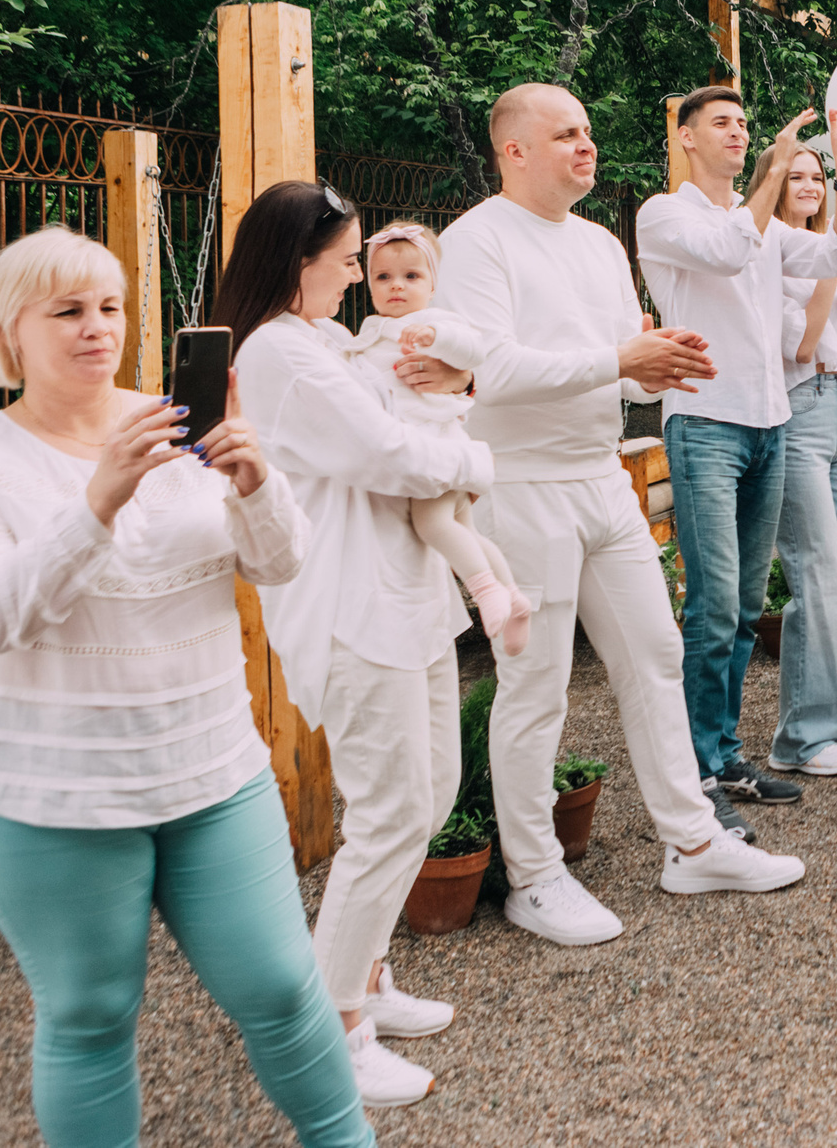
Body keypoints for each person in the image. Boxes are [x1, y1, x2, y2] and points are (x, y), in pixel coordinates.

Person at [0, 226, 370, 1148]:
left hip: (210, 771)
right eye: (68, 310)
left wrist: (255, 479)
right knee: (90, 1012)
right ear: (12, 331)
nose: (97, 328)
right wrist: (98, 499)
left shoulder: (177, 429)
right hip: (52, 790)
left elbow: (278, 564)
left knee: (282, 986)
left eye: (111, 307)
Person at [437, 83, 804, 951]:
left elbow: (613, 363)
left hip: (599, 473)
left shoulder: (601, 243)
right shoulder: (474, 241)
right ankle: (533, 876)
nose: (585, 144)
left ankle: (691, 839)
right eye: (565, 134)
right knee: (536, 683)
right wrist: (620, 356)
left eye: (589, 130)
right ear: (512, 149)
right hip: (522, 482)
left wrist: (653, 372)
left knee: (656, 650)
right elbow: (490, 367)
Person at [225, 185, 497, 1106]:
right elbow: (389, 454)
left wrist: (461, 387)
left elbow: (424, 396)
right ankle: (328, 1025)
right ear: (297, 260)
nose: (356, 275)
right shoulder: (280, 352)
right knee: (388, 811)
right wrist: (477, 459)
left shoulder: (327, 343)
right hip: (351, 607)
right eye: (344, 259)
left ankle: (366, 969)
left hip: (405, 595)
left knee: (431, 795)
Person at [635, 89, 837, 803]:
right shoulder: (665, 213)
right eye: (723, 123)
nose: (737, 132)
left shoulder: (766, 222)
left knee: (741, 608)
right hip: (706, 422)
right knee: (712, 605)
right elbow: (729, 246)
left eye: (743, 123)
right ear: (684, 138)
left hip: (772, 423)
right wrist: (775, 166)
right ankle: (698, 763)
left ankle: (726, 753)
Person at [749, 139, 837, 776]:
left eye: (819, 177)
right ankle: (800, 740)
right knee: (818, 576)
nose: (810, 185)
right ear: (776, 183)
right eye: (800, 176)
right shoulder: (765, 254)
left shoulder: (834, 254)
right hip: (799, 410)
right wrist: (830, 271)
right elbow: (804, 347)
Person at [331, 220, 533, 655]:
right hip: (418, 448)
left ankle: (484, 592)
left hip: (436, 447)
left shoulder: (438, 320)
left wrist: (435, 337)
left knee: (432, 523)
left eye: (411, 276)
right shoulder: (369, 330)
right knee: (468, 531)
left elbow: (472, 351)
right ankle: (514, 595)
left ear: (432, 285)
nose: (396, 287)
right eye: (383, 277)